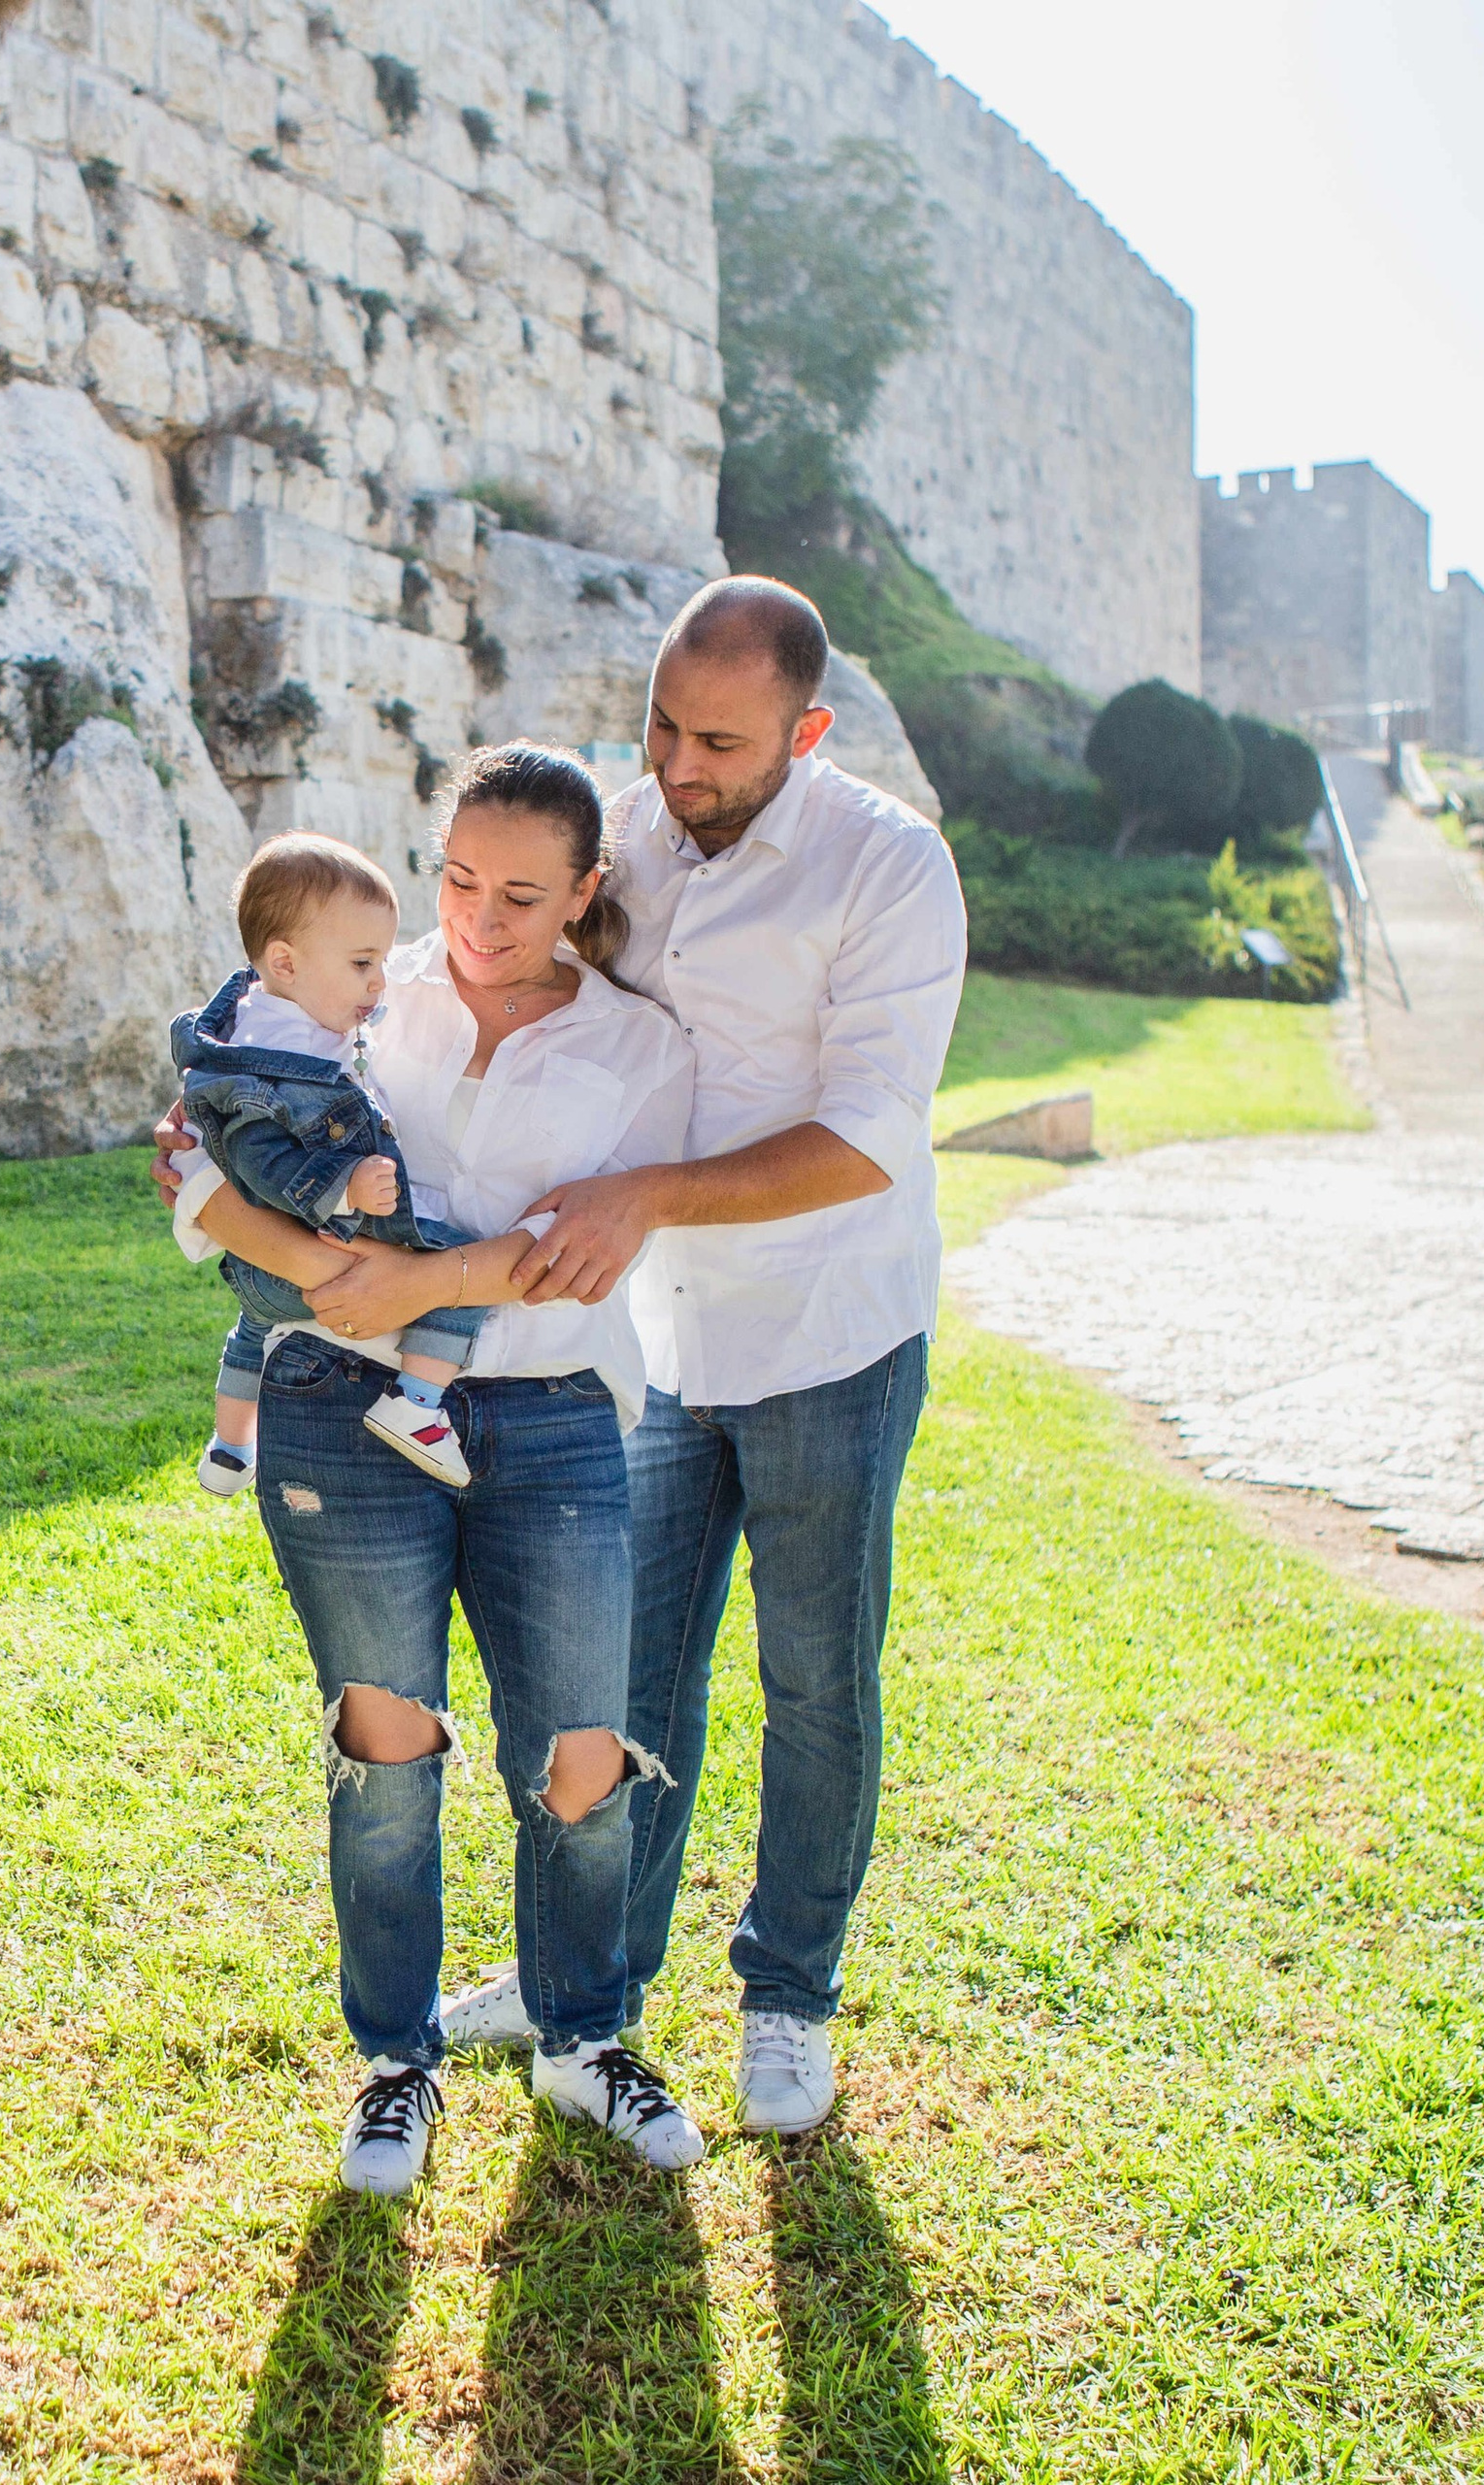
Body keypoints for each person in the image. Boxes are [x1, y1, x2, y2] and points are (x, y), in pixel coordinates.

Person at [421, 579, 969, 2137]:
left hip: (831, 1328)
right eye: (661, 724)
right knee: (615, 1679)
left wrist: (649, 1193)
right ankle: (578, 1980)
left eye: (719, 742)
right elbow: (482, 948)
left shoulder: (892, 867)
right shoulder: (629, 830)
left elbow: (867, 1137)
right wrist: (268, 1062)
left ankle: (789, 1995)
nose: (676, 765)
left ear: (809, 729)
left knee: (816, 1684)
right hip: (656, 1343)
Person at [163, 745, 703, 2193]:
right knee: (385, 1750)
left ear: (585, 892)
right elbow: (201, 1174)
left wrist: (414, 1284)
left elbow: (581, 1248)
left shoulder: (640, 1049)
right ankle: (396, 2060)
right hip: (338, 1409)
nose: (477, 918)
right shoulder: (348, 989)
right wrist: (310, 1264)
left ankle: (583, 2036)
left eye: (522, 895)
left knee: (582, 1753)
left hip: (556, 1418)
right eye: (459, 880)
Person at [169, 833, 496, 1495]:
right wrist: (342, 1190)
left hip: (261, 1266)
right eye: (361, 963)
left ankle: (230, 1448)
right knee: (462, 1271)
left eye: (382, 961)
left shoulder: (271, 1023)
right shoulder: (280, 1057)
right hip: (312, 1243)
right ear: (285, 962)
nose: (379, 981)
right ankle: (416, 1404)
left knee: (252, 1331)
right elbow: (258, 1157)